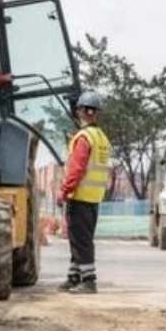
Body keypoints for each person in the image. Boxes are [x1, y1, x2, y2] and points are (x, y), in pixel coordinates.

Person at [58, 90, 111, 294]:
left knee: (81, 241)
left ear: (80, 111)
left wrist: (64, 191)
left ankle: (89, 281)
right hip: (94, 199)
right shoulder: (102, 138)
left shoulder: (83, 138)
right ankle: (74, 277)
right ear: (96, 112)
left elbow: (76, 169)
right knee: (78, 239)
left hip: (79, 197)